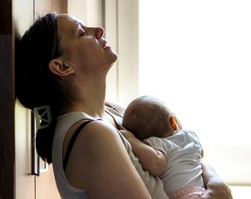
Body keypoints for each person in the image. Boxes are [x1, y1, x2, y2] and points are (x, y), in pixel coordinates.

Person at [15, 12, 233, 199]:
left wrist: (216, 182)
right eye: (82, 32)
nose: (99, 30)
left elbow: (183, 150)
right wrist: (217, 188)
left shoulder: (112, 111)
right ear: (62, 67)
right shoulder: (91, 135)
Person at [122, 95, 207, 199]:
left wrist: (131, 139)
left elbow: (156, 166)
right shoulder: (191, 135)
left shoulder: (156, 144)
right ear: (173, 122)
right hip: (202, 191)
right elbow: (201, 154)